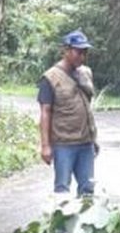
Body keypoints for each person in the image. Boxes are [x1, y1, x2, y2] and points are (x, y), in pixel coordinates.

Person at [38, 29, 98, 195]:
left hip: (86, 143)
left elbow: (87, 106)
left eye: (84, 52)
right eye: (78, 52)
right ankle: (62, 221)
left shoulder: (86, 73)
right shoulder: (50, 78)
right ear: (66, 50)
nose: (82, 56)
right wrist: (45, 146)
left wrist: (94, 139)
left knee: (87, 189)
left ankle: (85, 221)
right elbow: (45, 112)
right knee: (62, 189)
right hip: (64, 143)